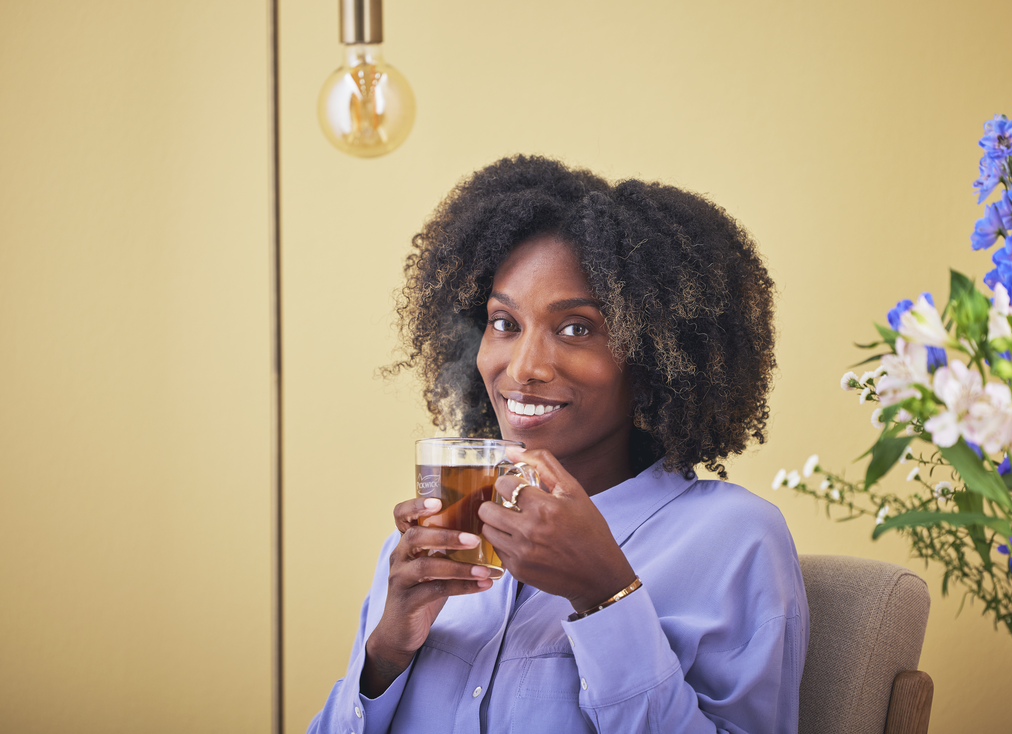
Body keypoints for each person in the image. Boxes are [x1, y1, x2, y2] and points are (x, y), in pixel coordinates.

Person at [308, 155, 808, 734]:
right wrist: (386, 652)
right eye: (504, 322)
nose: (524, 367)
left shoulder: (735, 541)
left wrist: (605, 594)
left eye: (576, 328)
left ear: (656, 358)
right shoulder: (438, 536)